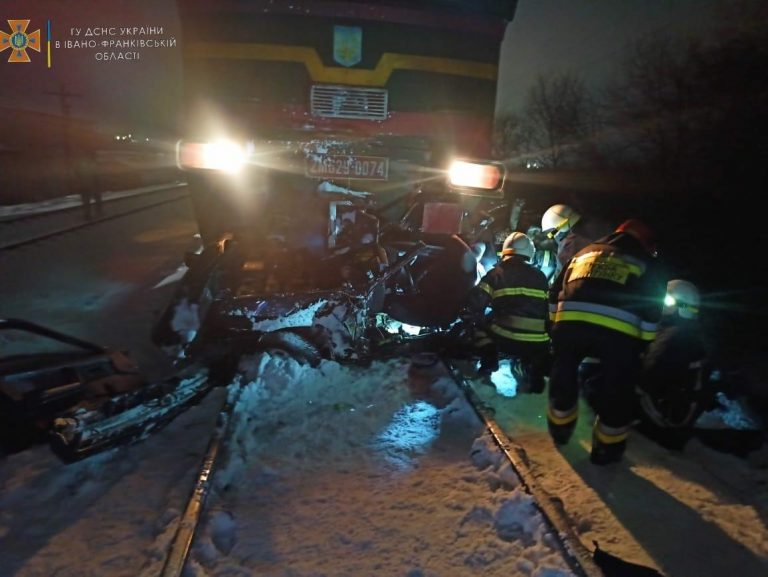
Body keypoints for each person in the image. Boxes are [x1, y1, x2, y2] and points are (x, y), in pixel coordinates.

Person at [546, 219, 667, 465]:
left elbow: (555, 290)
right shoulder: (646, 263)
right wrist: (642, 345)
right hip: (618, 336)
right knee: (618, 389)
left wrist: (554, 326)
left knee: (564, 376)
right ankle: (606, 450)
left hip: (570, 326)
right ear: (644, 241)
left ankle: (560, 431)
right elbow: (652, 309)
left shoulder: (584, 253)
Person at [464, 231, 550, 392]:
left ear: (505, 252)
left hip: (506, 340)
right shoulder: (541, 276)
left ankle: (489, 358)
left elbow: (474, 304)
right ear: (529, 254)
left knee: (475, 323)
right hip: (539, 343)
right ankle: (533, 371)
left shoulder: (496, 274)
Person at [635, 279, 715, 450]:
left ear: (681, 307)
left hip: (664, 417)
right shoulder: (692, 333)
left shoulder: (675, 336)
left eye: (667, 301)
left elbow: (649, 374)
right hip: (677, 415)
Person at [541, 203, 613, 277]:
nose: (553, 236)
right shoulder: (598, 226)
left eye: (552, 233)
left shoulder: (568, 246)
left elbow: (560, 279)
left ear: (559, 226)